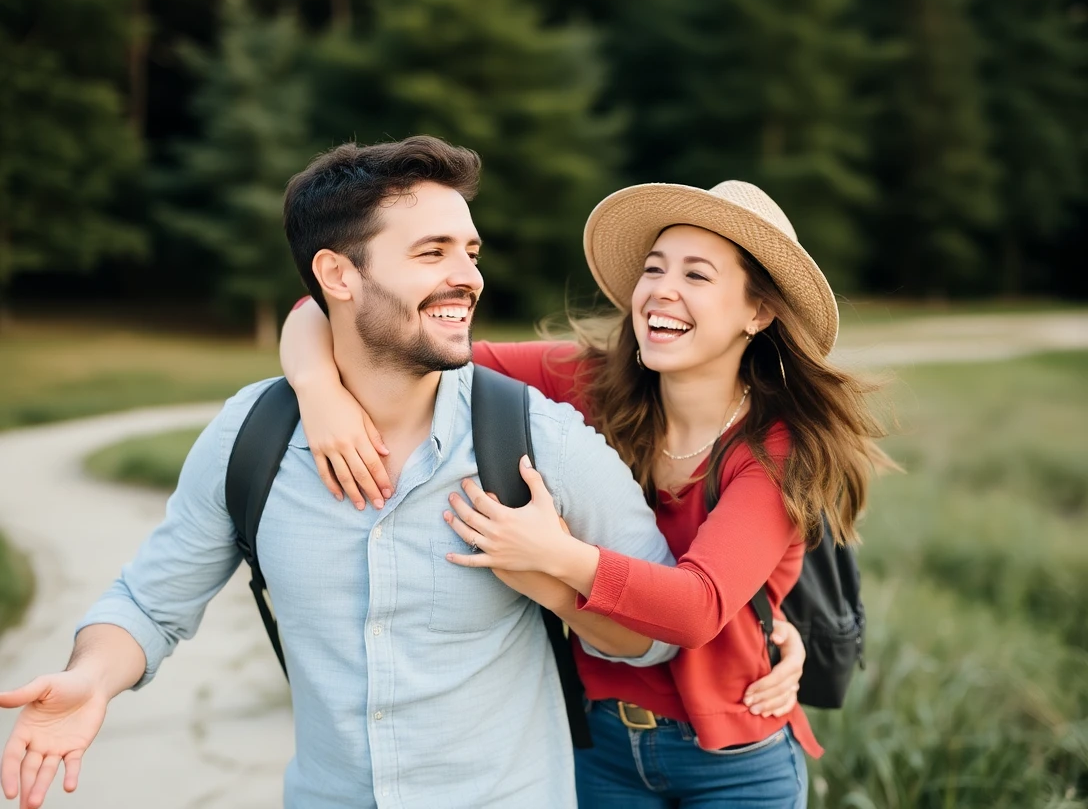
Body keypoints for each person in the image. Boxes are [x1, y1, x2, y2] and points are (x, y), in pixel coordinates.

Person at [0, 137, 697, 809]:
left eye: (471, 252)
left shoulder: (536, 441)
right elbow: (150, 604)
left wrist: (552, 575)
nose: (469, 276)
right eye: (432, 252)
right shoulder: (252, 440)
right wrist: (91, 679)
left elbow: (655, 629)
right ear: (338, 275)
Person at [281, 178, 894, 807]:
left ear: (757, 313)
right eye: (654, 269)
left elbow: (697, 607)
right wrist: (316, 389)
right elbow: (344, 314)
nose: (662, 289)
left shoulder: (775, 449)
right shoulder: (592, 383)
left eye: (698, 275)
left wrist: (553, 554)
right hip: (598, 745)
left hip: (736, 761)